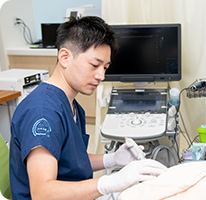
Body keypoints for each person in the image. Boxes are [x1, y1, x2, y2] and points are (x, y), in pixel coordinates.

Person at [9, 16, 167, 200]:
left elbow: (71, 163)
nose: (101, 75)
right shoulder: (43, 112)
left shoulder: (72, 106)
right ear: (65, 57)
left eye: (105, 67)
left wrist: (112, 159)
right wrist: (109, 182)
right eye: (94, 65)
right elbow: (42, 193)